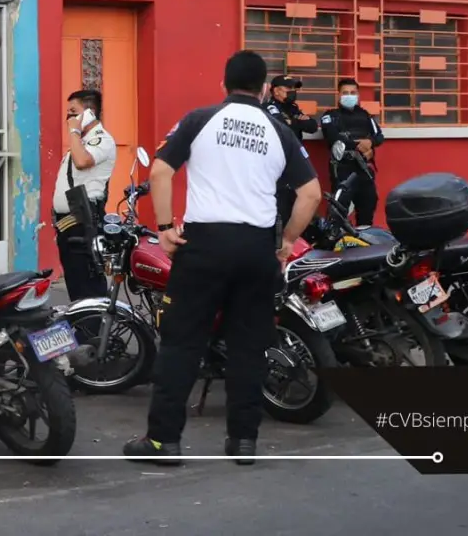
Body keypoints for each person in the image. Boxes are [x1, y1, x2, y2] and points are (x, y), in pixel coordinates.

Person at [124, 50, 321, 466]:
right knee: (249, 348)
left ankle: (163, 442)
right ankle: (243, 441)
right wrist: (286, 240)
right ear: (266, 88)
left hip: (205, 246)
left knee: (181, 343)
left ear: (224, 84)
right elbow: (311, 194)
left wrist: (163, 229)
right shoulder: (279, 129)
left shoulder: (199, 120)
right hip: (256, 250)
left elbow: (160, 171)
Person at [51, 89, 117, 302]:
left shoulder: (101, 140)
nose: (68, 118)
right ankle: (83, 330)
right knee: (76, 287)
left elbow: (82, 162)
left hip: (84, 224)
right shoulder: (80, 143)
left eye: (73, 112)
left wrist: (74, 132)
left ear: (89, 113)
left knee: (87, 288)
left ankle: (94, 332)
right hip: (69, 225)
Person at [320, 77, 384, 227]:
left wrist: (370, 144)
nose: (349, 95)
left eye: (353, 92)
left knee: (368, 205)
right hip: (343, 170)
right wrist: (358, 146)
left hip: (363, 168)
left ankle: (364, 242)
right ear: (339, 95)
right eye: (345, 92)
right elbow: (332, 137)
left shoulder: (365, 115)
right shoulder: (330, 116)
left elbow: (379, 136)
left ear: (358, 95)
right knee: (339, 210)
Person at [264, 75, 318, 229]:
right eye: (289, 89)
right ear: (276, 91)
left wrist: (293, 122)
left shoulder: (293, 108)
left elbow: (312, 126)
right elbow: (281, 128)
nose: (293, 92)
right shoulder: (270, 107)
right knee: (281, 209)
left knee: (299, 203)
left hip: (295, 162)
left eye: (294, 89)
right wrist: (297, 122)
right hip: (278, 166)